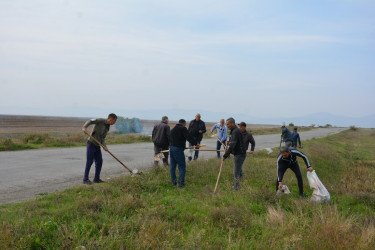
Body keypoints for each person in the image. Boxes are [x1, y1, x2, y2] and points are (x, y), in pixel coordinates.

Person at [82, 113, 117, 185]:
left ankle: (96, 179)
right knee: (90, 161)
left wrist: (105, 146)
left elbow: (103, 138)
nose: (114, 123)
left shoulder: (108, 127)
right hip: (91, 144)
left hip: (98, 145)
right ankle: (85, 179)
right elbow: (90, 121)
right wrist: (84, 127)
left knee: (99, 161)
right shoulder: (100, 120)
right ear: (111, 119)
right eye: (114, 121)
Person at [169, 119, 197, 187]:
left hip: (171, 148)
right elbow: (188, 137)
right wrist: (195, 143)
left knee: (173, 166)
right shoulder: (183, 128)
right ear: (184, 123)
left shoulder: (173, 129)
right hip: (178, 149)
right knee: (182, 166)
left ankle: (173, 182)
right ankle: (181, 184)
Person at [223, 117, 246, 190]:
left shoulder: (236, 131)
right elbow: (233, 142)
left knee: (236, 172)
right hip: (239, 153)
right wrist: (228, 142)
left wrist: (225, 155)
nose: (227, 126)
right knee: (239, 170)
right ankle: (238, 185)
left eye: (228, 124)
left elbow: (232, 145)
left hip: (239, 154)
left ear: (232, 123)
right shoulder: (233, 130)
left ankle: (236, 188)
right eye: (226, 124)